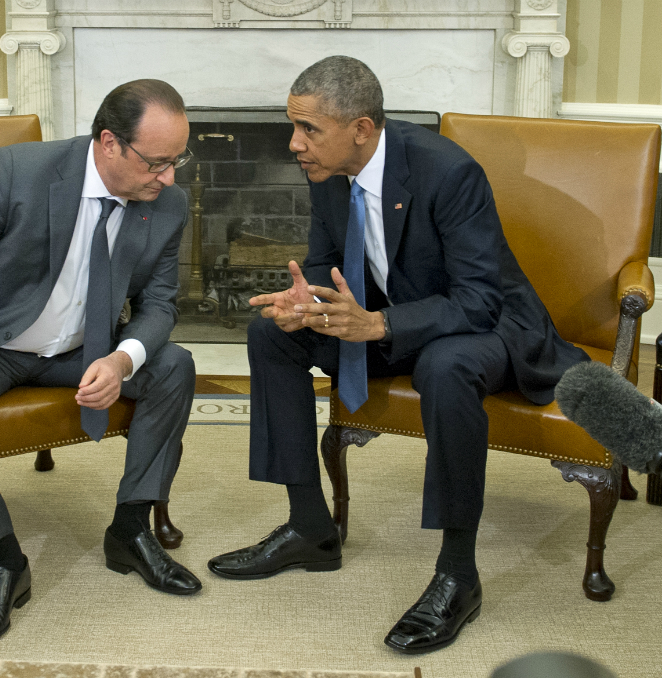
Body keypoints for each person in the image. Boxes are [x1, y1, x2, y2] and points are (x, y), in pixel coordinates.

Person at [207, 56, 590, 654]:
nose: (294, 143)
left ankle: (458, 574)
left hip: (482, 324)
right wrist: (304, 299)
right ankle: (310, 527)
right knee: (270, 335)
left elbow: (479, 300)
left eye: (309, 129)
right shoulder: (329, 172)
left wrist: (380, 323)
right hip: (390, 319)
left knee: (445, 366)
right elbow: (324, 258)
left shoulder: (448, 172)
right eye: (294, 126)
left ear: (361, 128)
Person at [0, 79, 201, 649]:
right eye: (157, 162)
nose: (169, 178)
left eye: (177, 160)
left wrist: (120, 358)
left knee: (174, 366)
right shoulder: (19, 171)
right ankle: (5, 561)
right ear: (109, 144)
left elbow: (161, 304)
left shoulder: (168, 204)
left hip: (81, 350)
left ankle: (131, 528)